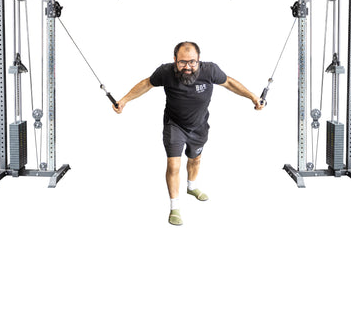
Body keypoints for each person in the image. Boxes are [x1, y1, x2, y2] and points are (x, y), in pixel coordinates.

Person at [113, 42, 264, 225]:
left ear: (199, 60)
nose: (187, 67)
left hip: (199, 126)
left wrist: (253, 97)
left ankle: (192, 187)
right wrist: (124, 100)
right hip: (174, 125)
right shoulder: (165, 72)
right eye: (182, 62)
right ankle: (174, 207)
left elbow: (230, 83)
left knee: (195, 159)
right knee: (173, 164)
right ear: (175, 60)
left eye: (192, 62)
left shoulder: (210, 71)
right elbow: (146, 84)